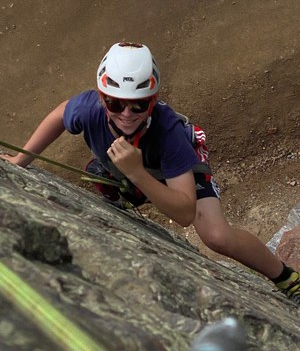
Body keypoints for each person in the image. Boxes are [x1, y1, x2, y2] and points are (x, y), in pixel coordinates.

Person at [1, 42, 299, 305]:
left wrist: (138, 173)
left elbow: (184, 213)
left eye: (139, 105)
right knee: (99, 175)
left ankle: (285, 277)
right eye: (115, 103)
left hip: (176, 169)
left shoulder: (168, 134)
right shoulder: (88, 109)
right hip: (133, 168)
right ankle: (126, 189)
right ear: (102, 96)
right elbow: (59, 115)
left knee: (217, 236)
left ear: (153, 101)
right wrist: (19, 161)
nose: (126, 114)